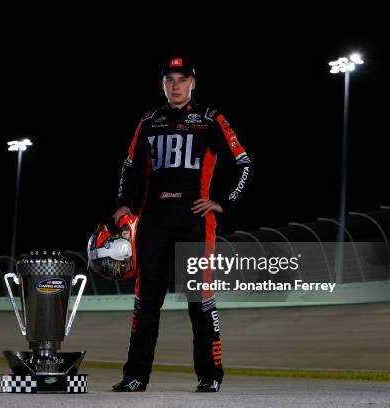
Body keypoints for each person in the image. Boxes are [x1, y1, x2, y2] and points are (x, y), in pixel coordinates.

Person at [111, 57, 253, 392]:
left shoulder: (210, 119)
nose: (176, 85)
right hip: (153, 224)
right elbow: (130, 167)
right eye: (169, 79)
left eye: (182, 78)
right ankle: (135, 376)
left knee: (199, 301)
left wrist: (224, 202)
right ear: (162, 84)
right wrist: (122, 204)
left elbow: (243, 163)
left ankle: (210, 375)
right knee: (145, 303)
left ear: (193, 83)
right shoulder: (149, 121)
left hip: (195, 224)